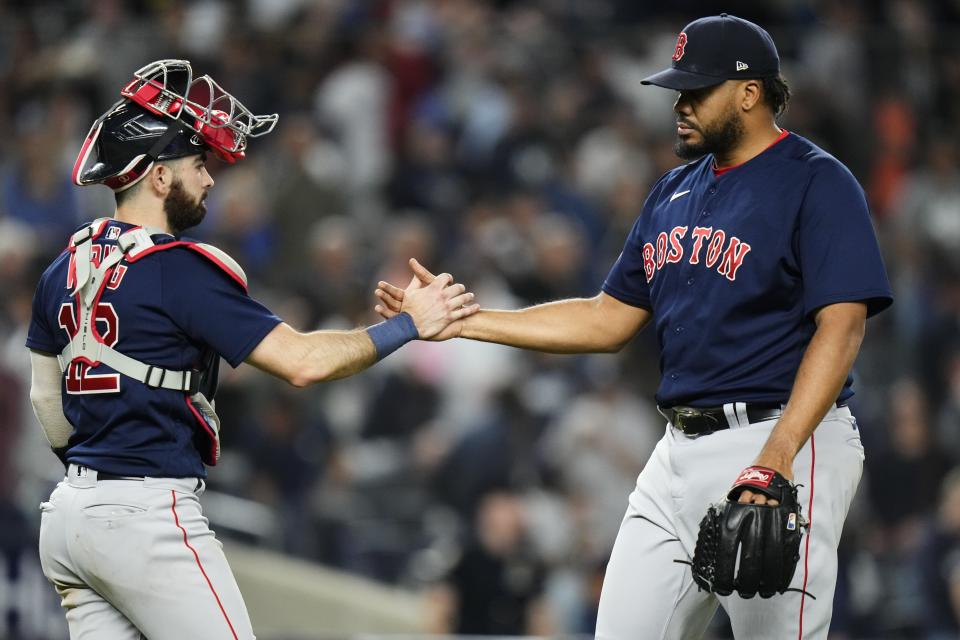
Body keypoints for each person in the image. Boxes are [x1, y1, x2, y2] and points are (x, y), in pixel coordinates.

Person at [375, 14, 892, 639]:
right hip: (676, 448)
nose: (680, 104)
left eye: (697, 90)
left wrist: (774, 459)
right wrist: (465, 321)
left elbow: (842, 328)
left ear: (751, 93)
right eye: (678, 89)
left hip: (785, 439)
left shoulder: (817, 182)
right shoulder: (673, 190)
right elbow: (607, 317)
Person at [26, 59, 477, 640]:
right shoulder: (178, 270)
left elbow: (46, 402)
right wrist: (408, 325)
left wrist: (93, 478)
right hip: (144, 515)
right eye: (197, 164)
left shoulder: (60, 269)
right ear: (159, 177)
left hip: (67, 518)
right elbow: (303, 362)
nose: (210, 179)